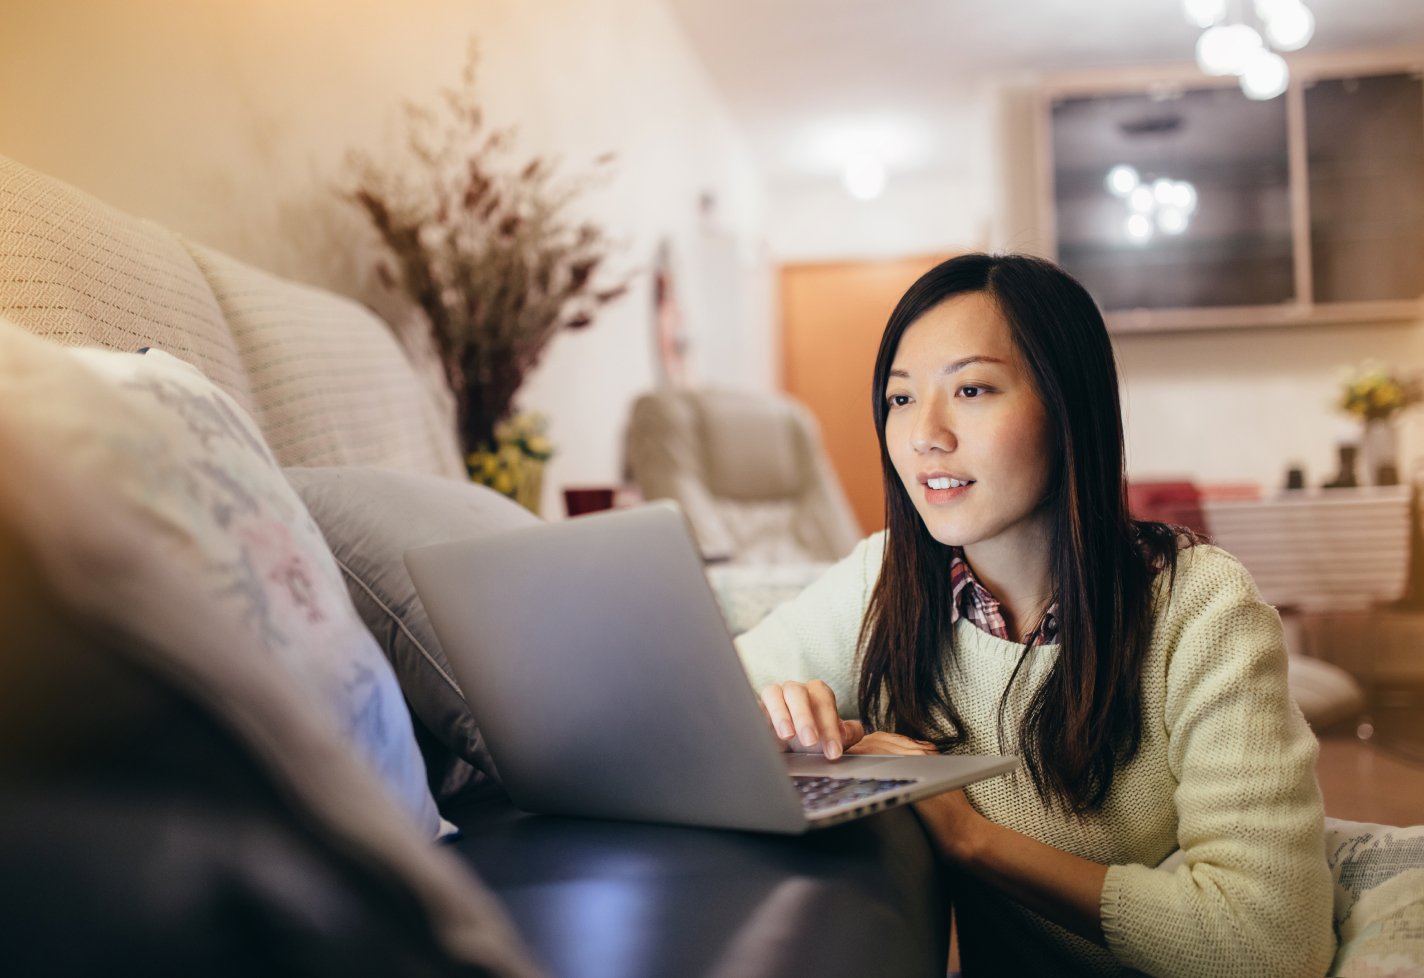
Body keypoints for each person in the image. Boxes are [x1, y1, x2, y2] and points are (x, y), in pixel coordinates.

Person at [735, 253, 1334, 977]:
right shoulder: (887, 578)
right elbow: (700, 707)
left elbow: (1270, 945)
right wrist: (779, 719)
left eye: (973, 389)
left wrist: (966, 835)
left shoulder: (1201, 609)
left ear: (1067, 404)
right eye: (899, 399)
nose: (925, 433)